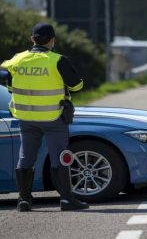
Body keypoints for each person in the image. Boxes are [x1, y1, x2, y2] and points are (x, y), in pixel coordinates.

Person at [0, 23, 89, 212]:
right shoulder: (56, 60)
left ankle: (23, 200)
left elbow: (9, 88)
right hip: (53, 117)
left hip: (26, 117)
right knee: (59, 157)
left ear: (33, 39)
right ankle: (66, 199)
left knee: (26, 157)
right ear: (52, 40)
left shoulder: (17, 60)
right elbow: (77, 86)